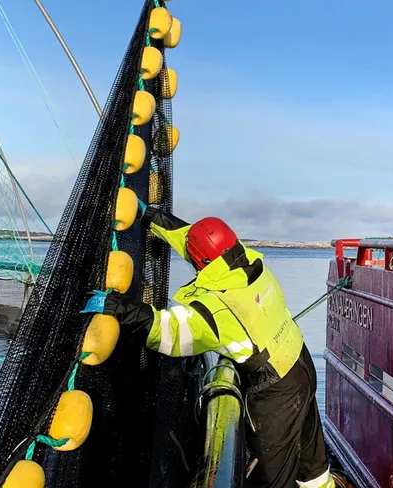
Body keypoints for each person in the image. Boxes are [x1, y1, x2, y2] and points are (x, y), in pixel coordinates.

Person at [85, 203, 336, 488]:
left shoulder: (218, 308)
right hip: (300, 362)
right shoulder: (248, 261)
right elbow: (187, 238)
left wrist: (117, 308)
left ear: (202, 264)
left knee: (274, 477)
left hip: (275, 389)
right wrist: (151, 217)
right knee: (312, 462)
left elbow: (171, 332)